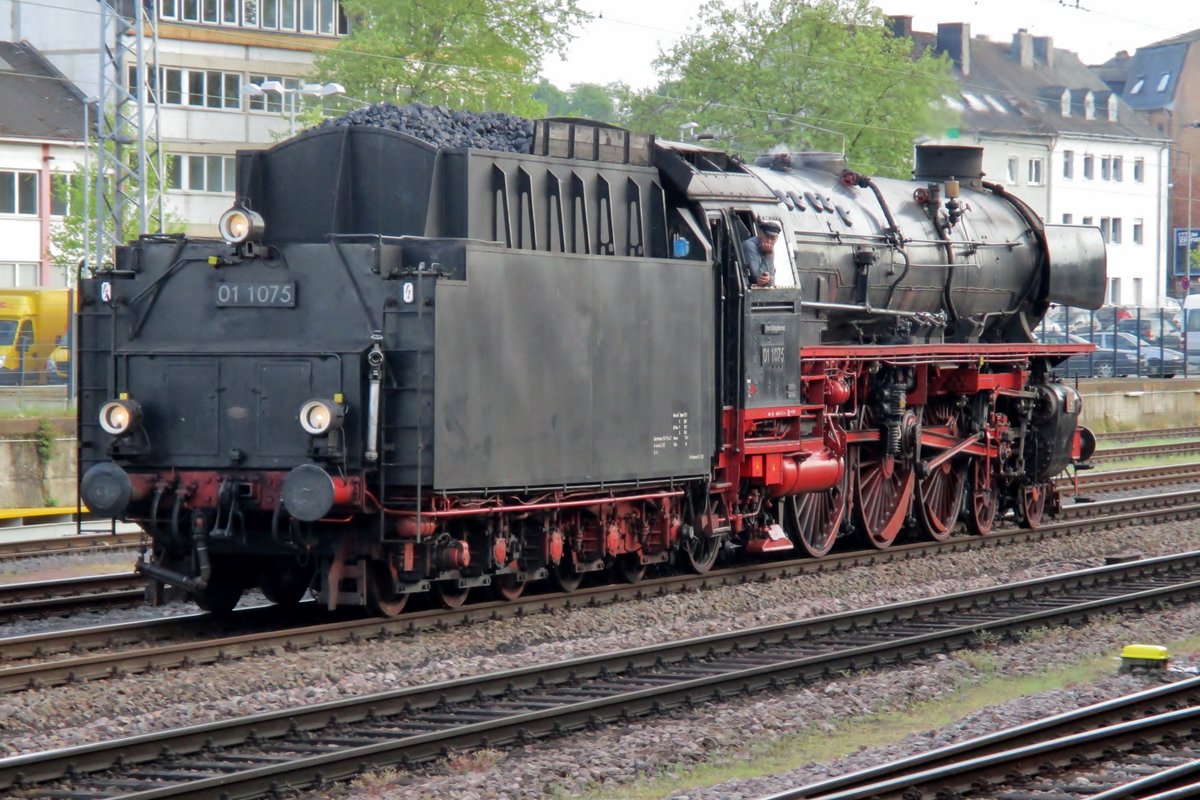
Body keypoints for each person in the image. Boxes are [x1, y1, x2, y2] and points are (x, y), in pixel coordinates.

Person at [742, 219, 781, 286]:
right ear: (760, 234)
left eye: (772, 238)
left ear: (777, 239)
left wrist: (769, 279)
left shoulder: (770, 249)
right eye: (767, 237)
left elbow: (771, 276)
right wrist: (768, 255)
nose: (769, 241)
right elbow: (758, 275)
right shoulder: (750, 245)